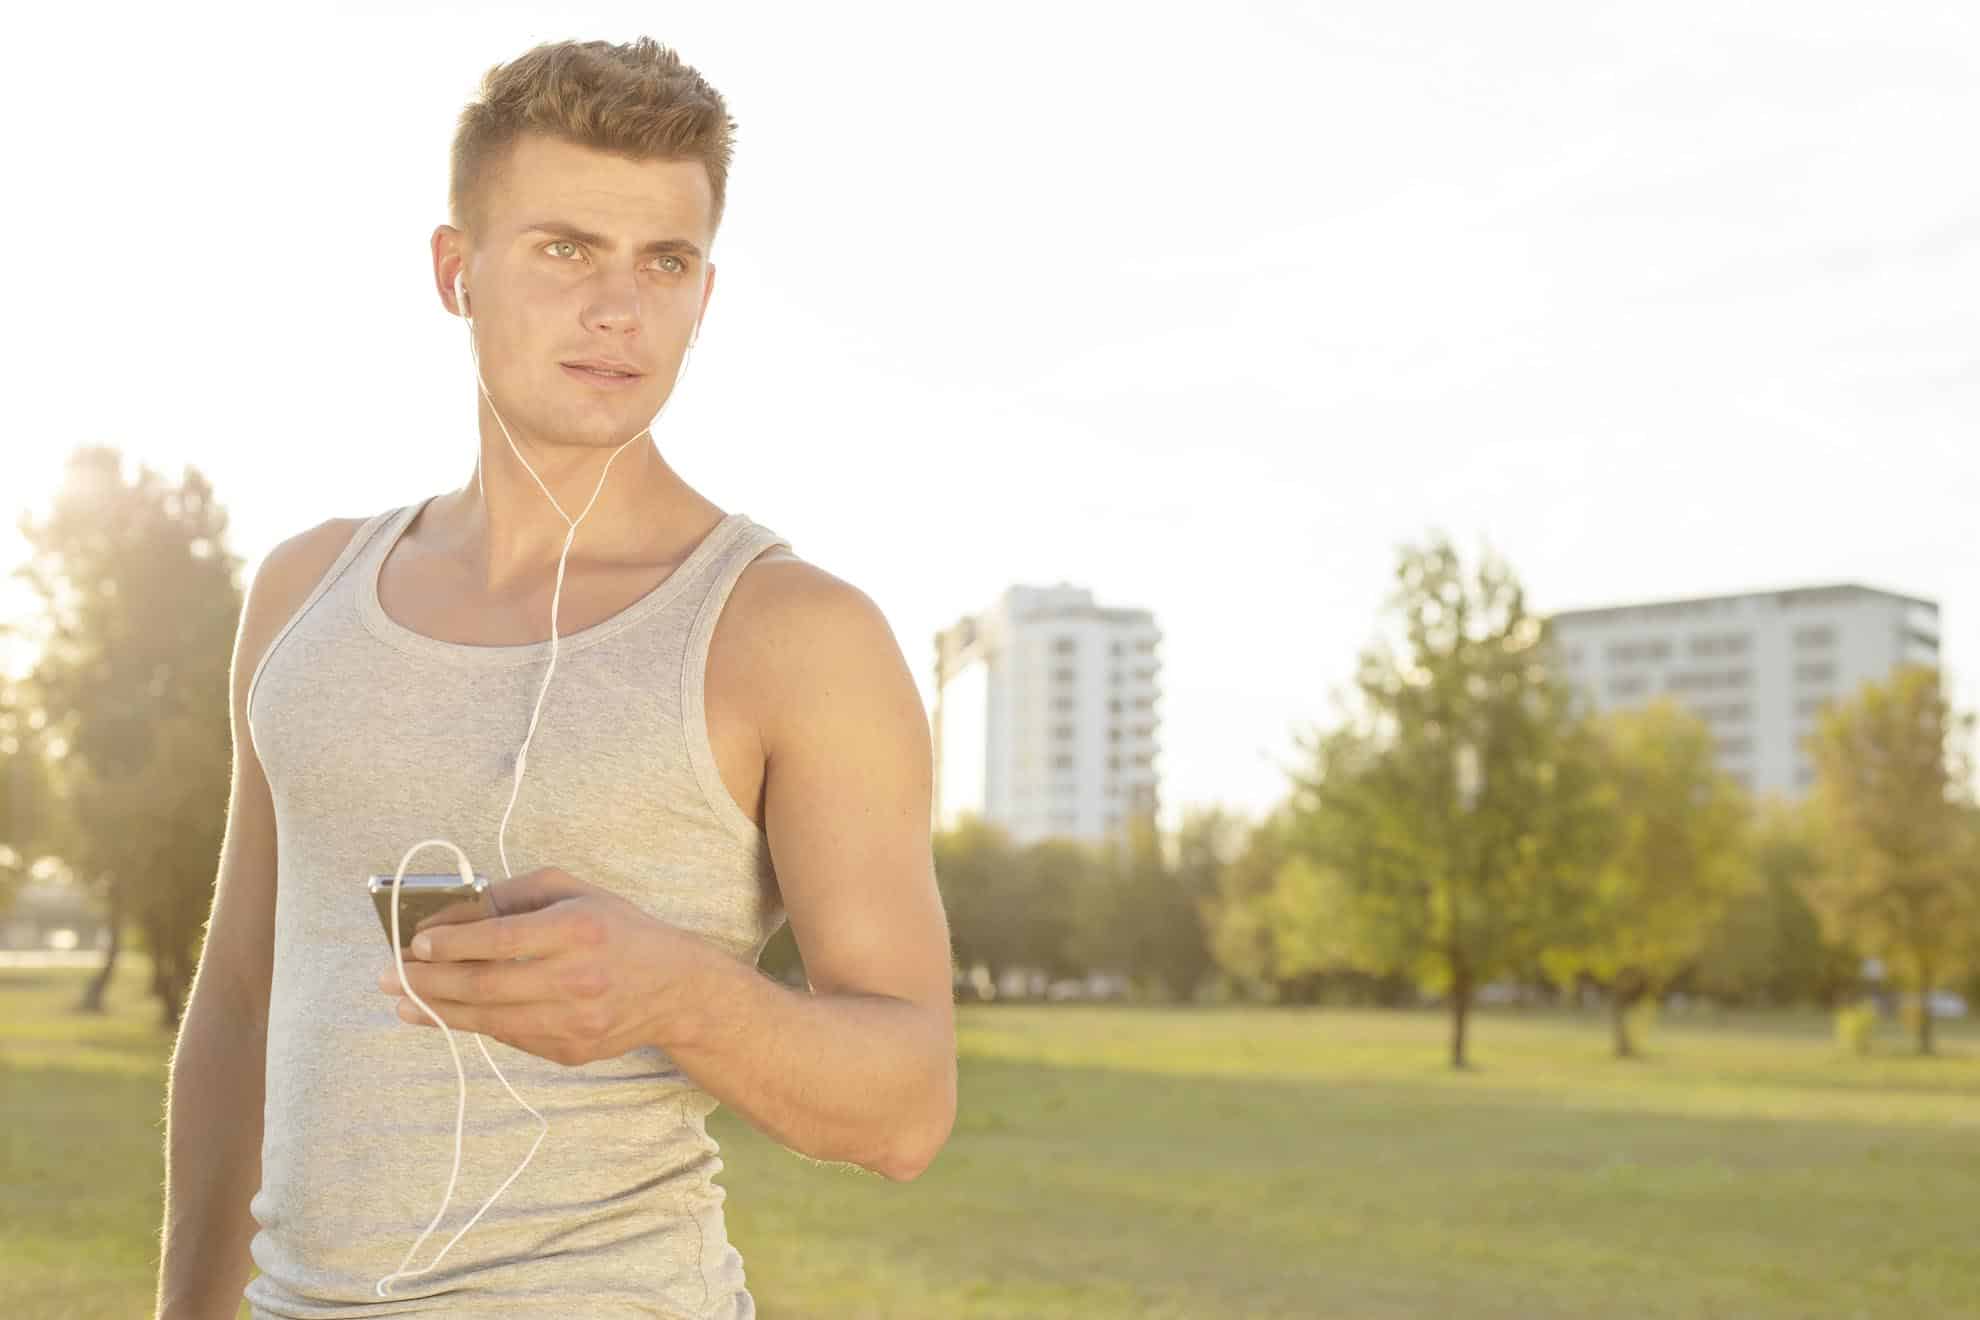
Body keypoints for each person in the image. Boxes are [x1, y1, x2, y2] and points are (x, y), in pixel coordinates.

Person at [155, 37, 956, 1318]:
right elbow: (243, 1002)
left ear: (706, 295)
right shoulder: (301, 593)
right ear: (455, 272)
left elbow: (908, 1106)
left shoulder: (796, 634)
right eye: (566, 248)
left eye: (665, 262)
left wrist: (678, 992)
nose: (619, 312)